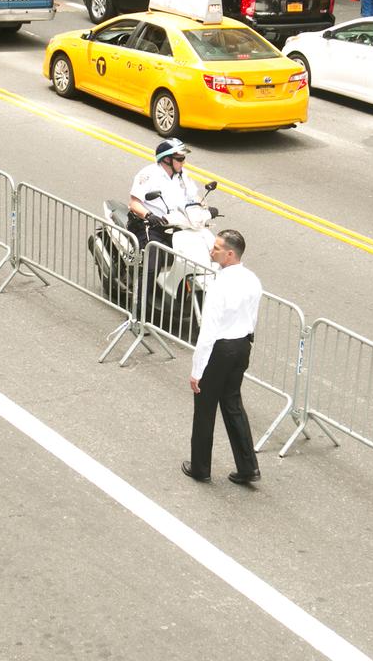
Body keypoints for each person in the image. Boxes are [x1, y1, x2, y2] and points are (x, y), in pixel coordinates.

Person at [182, 229, 262, 486]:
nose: (211, 251)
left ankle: (200, 467)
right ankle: (248, 466)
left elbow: (208, 331)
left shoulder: (220, 285)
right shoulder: (253, 280)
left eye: (216, 248)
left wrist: (197, 370)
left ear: (230, 254)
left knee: (205, 408)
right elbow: (252, 317)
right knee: (232, 404)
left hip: (221, 348)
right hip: (242, 346)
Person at [127, 139, 198, 306]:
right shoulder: (148, 175)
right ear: (166, 159)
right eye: (180, 159)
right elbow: (134, 203)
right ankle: (137, 310)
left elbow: (195, 197)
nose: (183, 162)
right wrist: (149, 215)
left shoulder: (183, 176)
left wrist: (205, 207)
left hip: (177, 225)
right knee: (151, 266)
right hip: (149, 225)